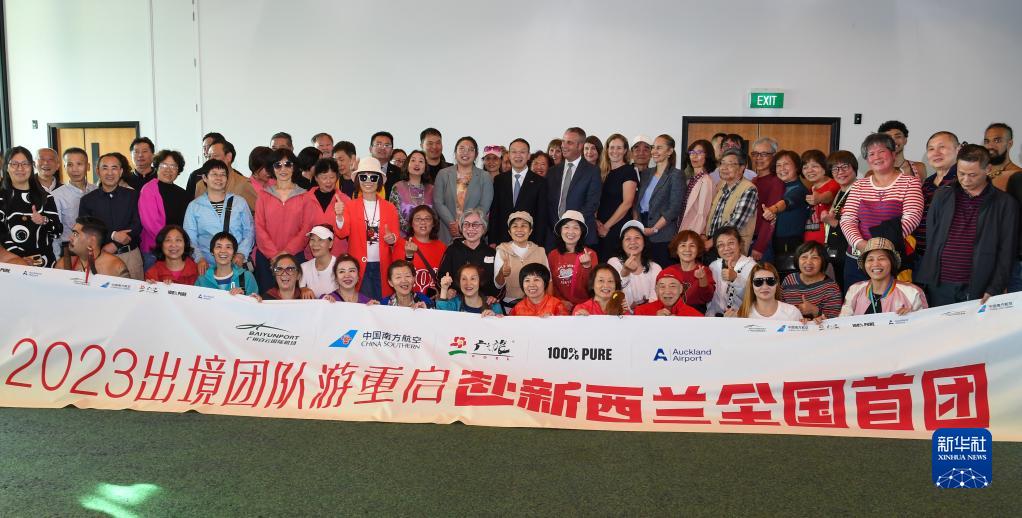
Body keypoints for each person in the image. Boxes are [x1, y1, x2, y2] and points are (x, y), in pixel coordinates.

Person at [916, 144, 1019, 306]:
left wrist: (995, 288)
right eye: (961, 173)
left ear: (988, 169)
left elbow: (1007, 251)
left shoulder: (1005, 203)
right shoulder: (942, 195)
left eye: (972, 175)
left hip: (980, 286)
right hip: (939, 285)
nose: (965, 180)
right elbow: (932, 236)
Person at [840, 133, 923, 287]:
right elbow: (847, 219)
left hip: (891, 258)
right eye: (871, 154)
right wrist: (861, 244)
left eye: (881, 151)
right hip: (857, 257)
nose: (876, 157)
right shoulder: (859, 185)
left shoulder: (910, 183)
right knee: (856, 298)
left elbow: (912, 218)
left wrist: (880, 247)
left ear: (893, 154)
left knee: (891, 299)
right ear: (867, 160)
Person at [334, 157, 402, 300]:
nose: (368, 181)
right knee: (362, 304)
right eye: (364, 177)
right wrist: (339, 216)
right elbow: (342, 233)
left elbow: (396, 236)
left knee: (382, 304)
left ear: (379, 181)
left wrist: (392, 239)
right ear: (358, 180)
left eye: (373, 177)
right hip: (358, 266)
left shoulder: (390, 207)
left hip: (383, 265)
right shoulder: (350, 206)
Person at [253, 148, 314, 291]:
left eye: (287, 164)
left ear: (294, 167)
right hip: (267, 259)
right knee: (267, 299)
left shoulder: (305, 196)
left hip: (295, 257)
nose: (283, 169)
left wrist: (286, 254)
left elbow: (306, 229)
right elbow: (259, 227)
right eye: (278, 165)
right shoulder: (263, 195)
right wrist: (274, 256)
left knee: (294, 298)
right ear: (272, 168)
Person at [183, 159, 255, 277]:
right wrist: (199, 258)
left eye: (223, 175)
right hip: (207, 267)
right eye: (214, 174)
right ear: (205, 178)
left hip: (236, 263)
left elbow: (249, 231)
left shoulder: (239, 202)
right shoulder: (194, 206)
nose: (219, 178)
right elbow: (190, 237)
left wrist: (241, 253)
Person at [78, 152, 143, 279]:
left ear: (121, 171)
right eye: (105, 168)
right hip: (101, 257)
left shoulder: (133, 195)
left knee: (134, 291)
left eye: (114, 168)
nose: (110, 173)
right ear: (98, 171)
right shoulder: (87, 200)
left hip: (130, 256)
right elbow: (85, 230)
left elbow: (138, 224)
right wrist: (113, 235)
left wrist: (115, 244)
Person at [1, 146, 61, 267]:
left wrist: (44, 220)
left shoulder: (45, 197)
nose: (20, 168)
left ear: (32, 166)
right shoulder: (2, 198)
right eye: (14, 164)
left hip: (44, 263)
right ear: (6, 167)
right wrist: (19, 258)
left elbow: (58, 231)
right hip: (12, 264)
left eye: (25, 164)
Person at [840, 237, 927, 316]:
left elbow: (924, 323)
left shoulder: (912, 292)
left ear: (892, 262)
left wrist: (912, 317)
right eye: (870, 259)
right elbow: (842, 323)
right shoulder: (854, 290)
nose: (875, 264)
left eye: (881, 258)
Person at [547, 127, 601, 248]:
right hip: (554, 236)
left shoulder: (592, 171)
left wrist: (569, 226)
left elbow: (592, 204)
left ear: (580, 146)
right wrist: (558, 226)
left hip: (581, 235)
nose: (564, 146)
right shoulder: (552, 171)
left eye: (569, 142)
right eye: (563, 141)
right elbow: (549, 204)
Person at [635, 134, 685, 266]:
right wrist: (639, 225)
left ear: (670, 151)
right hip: (642, 229)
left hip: (663, 234)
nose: (654, 151)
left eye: (659, 148)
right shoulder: (646, 173)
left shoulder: (676, 175)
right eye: (653, 147)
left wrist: (654, 229)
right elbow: (637, 203)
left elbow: (674, 208)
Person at [433, 136, 494, 244]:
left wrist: (464, 224)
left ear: (476, 155)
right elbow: (438, 202)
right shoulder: (443, 174)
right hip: (448, 231)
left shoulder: (485, 176)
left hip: (473, 232)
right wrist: (452, 224)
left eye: (470, 149)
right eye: (461, 148)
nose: (466, 152)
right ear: (455, 153)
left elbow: (484, 206)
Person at [138, 149, 190, 270]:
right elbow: (151, 224)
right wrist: (171, 244)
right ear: (157, 167)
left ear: (178, 170)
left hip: (178, 251)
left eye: (173, 166)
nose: (168, 170)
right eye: (164, 165)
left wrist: (179, 245)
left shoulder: (183, 194)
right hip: (154, 251)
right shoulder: (148, 190)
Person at [490, 138, 547, 246]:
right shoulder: (499, 180)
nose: (518, 155)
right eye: (514, 152)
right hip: (503, 241)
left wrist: (538, 244)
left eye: (522, 152)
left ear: (528, 155)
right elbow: (495, 213)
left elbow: (542, 217)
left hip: (530, 242)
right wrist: (492, 240)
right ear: (509, 155)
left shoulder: (540, 182)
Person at [760, 150, 809, 274]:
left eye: (786, 164)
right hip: (774, 242)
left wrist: (773, 209)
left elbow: (787, 202)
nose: (782, 168)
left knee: (788, 279)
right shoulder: (779, 187)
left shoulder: (800, 189)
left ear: (797, 167)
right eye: (778, 165)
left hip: (790, 243)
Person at [915, 131, 960, 261]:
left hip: (950, 259)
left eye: (942, 147)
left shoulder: (964, 182)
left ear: (958, 150)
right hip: (921, 257)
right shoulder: (927, 183)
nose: (936, 153)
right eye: (931, 149)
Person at [705, 148, 758, 255]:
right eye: (722, 163)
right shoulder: (721, 185)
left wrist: (711, 242)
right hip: (712, 244)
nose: (724, 168)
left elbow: (736, 222)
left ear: (742, 167)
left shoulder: (749, 189)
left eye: (730, 164)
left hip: (731, 248)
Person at [437, 208, 498, 299]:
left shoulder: (491, 253)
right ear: (461, 228)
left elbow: (499, 284)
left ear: (484, 228)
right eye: (466, 224)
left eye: (475, 225)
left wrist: (494, 297)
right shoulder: (452, 250)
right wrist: (447, 290)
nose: (470, 228)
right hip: (456, 303)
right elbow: (440, 277)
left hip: (484, 304)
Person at [820, 150, 859, 292]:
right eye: (835, 168)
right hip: (836, 250)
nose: (840, 172)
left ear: (854, 167)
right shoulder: (841, 191)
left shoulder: (859, 191)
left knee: (851, 292)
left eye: (845, 167)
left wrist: (834, 223)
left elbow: (862, 225)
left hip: (851, 254)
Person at [494, 211, 548, 310]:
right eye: (515, 226)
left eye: (524, 226)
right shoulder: (502, 250)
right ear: (509, 231)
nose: (519, 229)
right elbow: (498, 285)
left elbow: (549, 281)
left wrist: (547, 306)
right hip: (510, 305)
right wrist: (502, 272)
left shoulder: (540, 251)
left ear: (530, 231)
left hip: (537, 304)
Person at [596, 134, 638, 261]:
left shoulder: (629, 171)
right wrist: (596, 221)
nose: (615, 151)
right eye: (612, 147)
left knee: (615, 265)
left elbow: (627, 203)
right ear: (607, 149)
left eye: (619, 148)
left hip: (616, 228)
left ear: (625, 150)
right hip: (599, 227)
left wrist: (606, 227)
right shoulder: (603, 172)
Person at [547, 210, 599, 311]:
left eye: (576, 228)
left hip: (585, 308)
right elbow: (551, 284)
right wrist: (560, 301)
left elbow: (593, 286)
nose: (571, 232)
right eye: (566, 227)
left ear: (581, 232)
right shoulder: (552, 255)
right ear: (561, 231)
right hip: (560, 307)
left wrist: (587, 266)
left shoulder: (590, 254)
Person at [51, 147, 97, 258]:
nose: (75, 169)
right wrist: (57, 258)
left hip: (96, 248)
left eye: (79, 164)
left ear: (88, 166)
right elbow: (55, 232)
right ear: (64, 167)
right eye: (70, 165)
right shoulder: (56, 196)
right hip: (70, 250)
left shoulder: (96, 191)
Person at [779, 240, 843, 320]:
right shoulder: (789, 280)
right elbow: (780, 309)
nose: (808, 262)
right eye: (804, 257)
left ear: (823, 261)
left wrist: (814, 310)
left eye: (814, 258)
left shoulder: (831, 288)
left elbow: (834, 320)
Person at [303, 158, 350, 258]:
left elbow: (347, 232)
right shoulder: (305, 199)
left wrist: (340, 216)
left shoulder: (345, 200)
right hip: (312, 256)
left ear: (337, 177)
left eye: (332, 177)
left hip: (338, 257)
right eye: (324, 177)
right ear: (316, 178)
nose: (328, 181)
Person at [608, 220, 661, 309]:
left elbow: (655, 299)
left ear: (644, 242)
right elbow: (617, 298)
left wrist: (639, 309)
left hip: (649, 315)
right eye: (628, 239)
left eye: (637, 237)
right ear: (621, 244)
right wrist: (625, 273)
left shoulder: (655, 268)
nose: (633, 242)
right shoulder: (614, 263)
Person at [54, 216, 129, 277]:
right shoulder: (63, 264)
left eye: (75, 234)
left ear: (92, 241)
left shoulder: (115, 267)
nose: (70, 237)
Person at [747, 137, 784, 262]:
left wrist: (760, 246)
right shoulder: (754, 180)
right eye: (755, 154)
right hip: (749, 240)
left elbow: (770, 216)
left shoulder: (776, 181)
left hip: (762, 244)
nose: (758, 158)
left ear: (774, 156)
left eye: (764, 154)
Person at [658, 230, 714, 313]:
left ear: (698, 249)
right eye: (683, 245)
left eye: (692, 245)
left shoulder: (704, 270)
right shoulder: (667, 272)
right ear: (676, 250)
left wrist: (702, 279)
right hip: (670, 314)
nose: (687, 249)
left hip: (695, 315)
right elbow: (660, 298)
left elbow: (707, 297)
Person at [195, 139, 258, 211]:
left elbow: (259, 212)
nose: (211, 160)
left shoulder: (243, 184)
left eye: (215, 156)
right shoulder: (201, 185)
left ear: (228, 157)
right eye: (208, 156)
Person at [705, 226, 755, 317]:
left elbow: (755, 298)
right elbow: (710, 299)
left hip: (741, 317)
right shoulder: (713, 266)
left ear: (740, 244)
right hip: (714, 318)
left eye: (731, 243)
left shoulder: (752, 267)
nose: (726, 248)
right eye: (721, 245)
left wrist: (735, 279)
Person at [399, 205, 446, 297]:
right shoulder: (401, 245)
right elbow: (396, 276)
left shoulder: (442, 247)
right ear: (411, 223)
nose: (423, 222)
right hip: (408, 300)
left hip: (433, 301)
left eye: (427, 219)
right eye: (418, 219)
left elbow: (445, 277)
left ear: (433, 223)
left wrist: (441, 292)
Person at [728, 262, 803, 320]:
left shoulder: (792, 313)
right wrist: (727, 322)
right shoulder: (742, 314)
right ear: (751, 285)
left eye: (770, 281)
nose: (765, 286)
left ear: (777, 283)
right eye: (758, 282)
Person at [194, 231, 259, 296]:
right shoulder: (202, 279)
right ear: (212, 252)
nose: (223, 251)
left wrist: (247, 297)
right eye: (219, 246)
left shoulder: (246, 277)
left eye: (228, 247)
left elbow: (254, 300)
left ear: (234, 252)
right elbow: (194, 300)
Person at [390, 150, 434, 238]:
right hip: (403, 238)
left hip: (427, 238)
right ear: (407, 165)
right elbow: (394, 215)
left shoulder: (432, 189)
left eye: (421, 161)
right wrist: (414, 230)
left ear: (425, 167)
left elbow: (436, 216)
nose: (417, 164)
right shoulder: (397, 187)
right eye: (413, 160)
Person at [801, 149, 840, 245]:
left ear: (824, 167)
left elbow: (829, 196)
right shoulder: (811, 189)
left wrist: (819, 198)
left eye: (814, 166)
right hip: (809, 242)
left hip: (827, 242)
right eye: (805, 167)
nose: (809, 170)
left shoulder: (834, 184)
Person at [436, 263, 503, 315]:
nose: (468, 283)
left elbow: (501, 326)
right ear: (459, 282)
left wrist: (494, 318)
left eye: (473, 278)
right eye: (464, 279)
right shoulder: (455, 303)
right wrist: (444, 289)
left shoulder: (493, 306)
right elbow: (441, 316)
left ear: (480, 281)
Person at [680, 139, 716, 236]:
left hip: (693, 233)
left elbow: (702, 214)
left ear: (707, 156)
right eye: (692, 152)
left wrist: (694, 236)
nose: (694, 156)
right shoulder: (690, 180)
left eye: (699, 152)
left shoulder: (706, 181)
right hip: (683, 229)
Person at [633, 268, 703, 316]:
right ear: (656, 289)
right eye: (662, 286)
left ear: (681, 289)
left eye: (672, 286)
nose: (667, 291)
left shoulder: (695, 316)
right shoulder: (641, 312)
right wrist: (654, 321)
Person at [299, 225, 337, 298]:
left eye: (320, 240)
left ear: (330, 244)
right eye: (312, 239)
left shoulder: (340, 266)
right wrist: (303, 289)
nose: (315, 244)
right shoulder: (304, 267)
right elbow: (298, 290)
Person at [185, 131, 225, 196]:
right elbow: (189, 199)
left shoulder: (235, 176)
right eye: (204, 148)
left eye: (209, 147)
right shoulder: (195, 175)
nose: (206, 151)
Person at [984, 123, 1021, 191]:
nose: (990, 146)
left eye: (997, 141)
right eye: (987, 141)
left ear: (1009, 144)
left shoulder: (1018, 175)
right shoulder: (977, 172)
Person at [371, 131, 403, 197]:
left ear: (392, 151)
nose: (382, 148)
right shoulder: (361, 170)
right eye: (378, 144)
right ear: (370, 149)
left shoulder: (399, 173)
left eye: (387, 145)